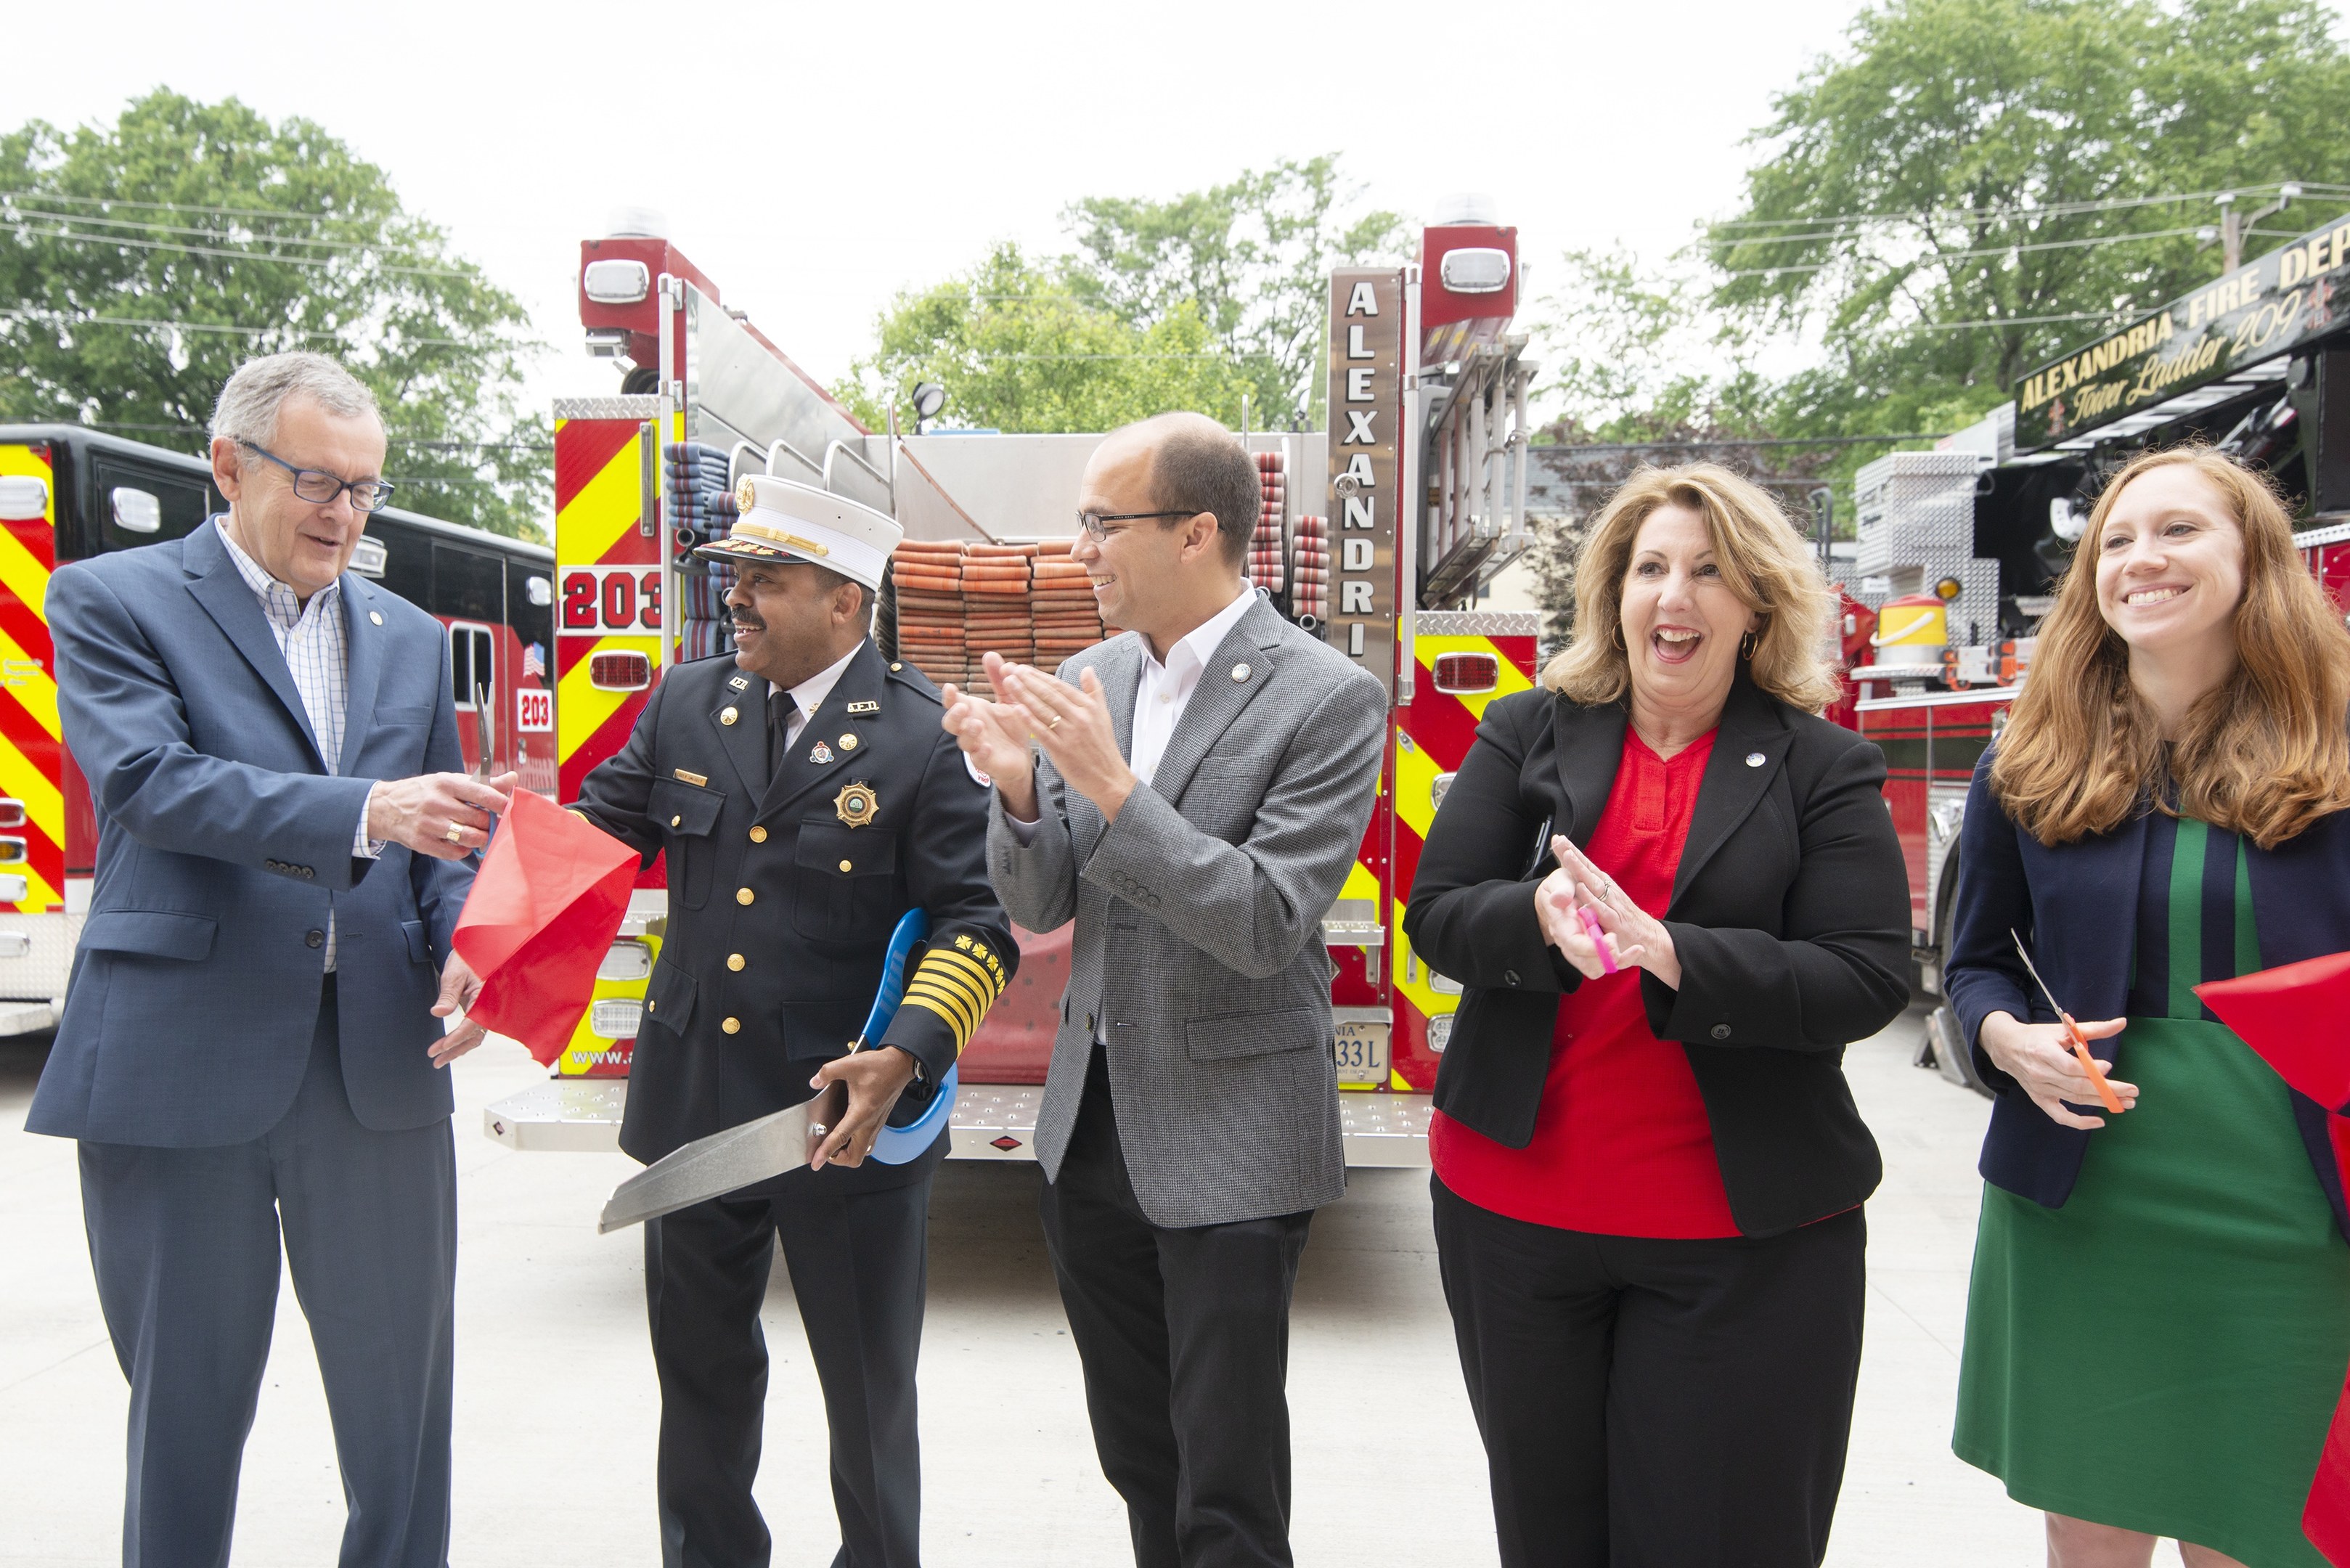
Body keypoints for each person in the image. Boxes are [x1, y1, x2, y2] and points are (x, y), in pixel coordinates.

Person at [27, 351, 512, 1568]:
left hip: (377, 1070)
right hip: (184, 1064)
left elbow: (440, 832)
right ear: (229, 464)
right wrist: (365, 813)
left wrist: (467, 946)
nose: (343, 515)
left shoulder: (406, 635)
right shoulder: (112, 597)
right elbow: (146, 784)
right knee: (184, 1413)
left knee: (403, 1420)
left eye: (363, 490)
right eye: (315, 482)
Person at [1402, 463, 1910, 1567]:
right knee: (1550, 1537)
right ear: (1613, 594)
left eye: (1707, 572)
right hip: (1516, 1217)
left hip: (1742, 1240)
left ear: (1756, 605)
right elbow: (1436, 916)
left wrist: (1678, 955)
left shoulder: (1824, 765)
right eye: (1649, 569)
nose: (1672, 597)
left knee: (1719, 1539)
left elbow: (1866, 975)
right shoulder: (1524, 729)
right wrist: (1533, 914)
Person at [940, 411, 1387, 1568]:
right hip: (1090, 1133)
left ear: (1197, 533)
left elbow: (1264, 920)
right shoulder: (1095, 677)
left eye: (1101, 523)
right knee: (1141, 1458)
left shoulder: (1325, 695)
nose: (1078, 549)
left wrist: (1109, 785)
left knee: (1227, 1483)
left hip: (1232, 1138)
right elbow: (1042, 908)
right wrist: (1021, 795)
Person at [570, 474, 1016, 1568]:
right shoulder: (687, 701)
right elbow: (592, 837)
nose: (740, 601)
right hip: (695, 1106)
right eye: (735, 579)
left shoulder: (922, 737)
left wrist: (904, 1057)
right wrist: (478, 897)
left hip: (841, 1116)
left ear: (845, 603)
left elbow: (978, 922)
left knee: (867, 1396)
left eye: (767, 581)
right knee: (700, 1381)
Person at [1944, 446, 2350, 1568]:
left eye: (2178, 531)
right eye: (2115, 540)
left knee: (2261, 1526)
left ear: (2252, 559)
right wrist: (2001, 1040)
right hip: (2082, 1205)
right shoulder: (2023, 762)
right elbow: (1971, 967)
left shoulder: (2341, 750)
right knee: (2088, 1521)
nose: (2140, 559)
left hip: (2295, 1206)